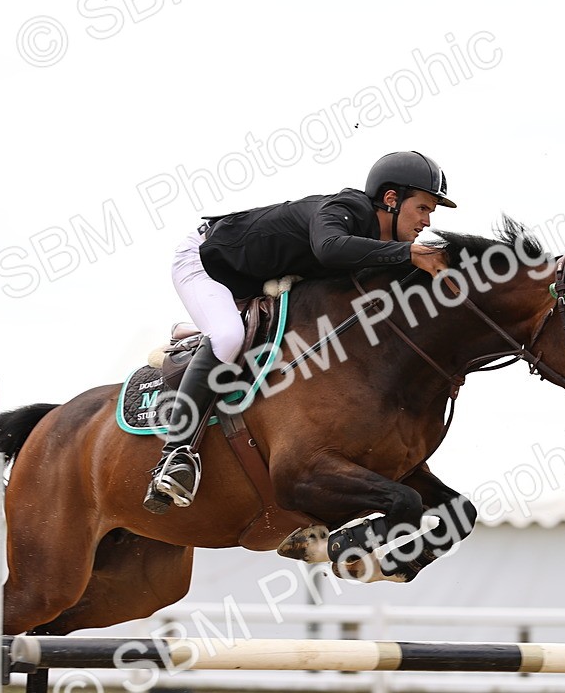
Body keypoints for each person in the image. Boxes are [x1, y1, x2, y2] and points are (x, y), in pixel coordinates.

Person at [143, 150, 456, 514]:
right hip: (204, 264)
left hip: (247, 280)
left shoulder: (379, 242)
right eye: (423, 208)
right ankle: (175, 455)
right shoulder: (346, 209)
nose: (427, 220)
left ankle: (200, 330)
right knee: (227, 336)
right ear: (391, 199)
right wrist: (409, 253)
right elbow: (328, 249)